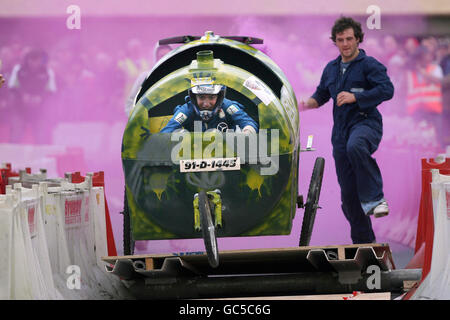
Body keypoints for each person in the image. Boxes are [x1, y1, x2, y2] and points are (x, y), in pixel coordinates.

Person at [301, 16, 394, 244]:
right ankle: (365, 245)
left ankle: (375, 199)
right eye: (340, 40)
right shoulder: (331, 69)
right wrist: (300, 105)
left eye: (349, 39)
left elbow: (387, 90)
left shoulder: (370, 65)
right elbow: (320, 96)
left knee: (357, 146)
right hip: (340, 134)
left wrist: (356, 96)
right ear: (335, 42)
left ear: (359, 39)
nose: (345, 44)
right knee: (349, 199)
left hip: (366, 124)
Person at [160, 82, 258, 134]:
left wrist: (247, 133)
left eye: (211, 97)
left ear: (219, 96)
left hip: (229, 155)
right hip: (194, 157)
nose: (206, 104)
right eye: (201, 97)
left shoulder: (228, 106)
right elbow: (166, 131)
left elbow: (248, 122)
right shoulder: (186, 110)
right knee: (178, 134)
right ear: (194, 97)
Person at [406, 45, 444, 148]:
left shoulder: (435, 68)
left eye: (424, 56)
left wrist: (421, 71)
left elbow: (438, 81)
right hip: (417, 112)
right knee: (419, 141)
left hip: (433, 111)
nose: (422, 59)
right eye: (419, 57)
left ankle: (437, 163)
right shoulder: (411, 72)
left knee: (437, 141)